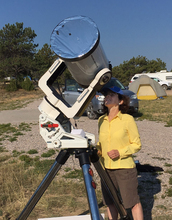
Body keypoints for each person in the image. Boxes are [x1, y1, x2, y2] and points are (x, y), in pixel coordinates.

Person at [96, 86, 143, 220]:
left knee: (132, 203)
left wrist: (120, 152)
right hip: (106, 169)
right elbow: (102, 143)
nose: (107, 97)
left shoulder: (127, 119)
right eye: (106, 95)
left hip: (124, 168)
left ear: (120, 101)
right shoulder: (101, 120)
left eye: (112, 95)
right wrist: (97, 150)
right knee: (110, 203)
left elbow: (136, 144)